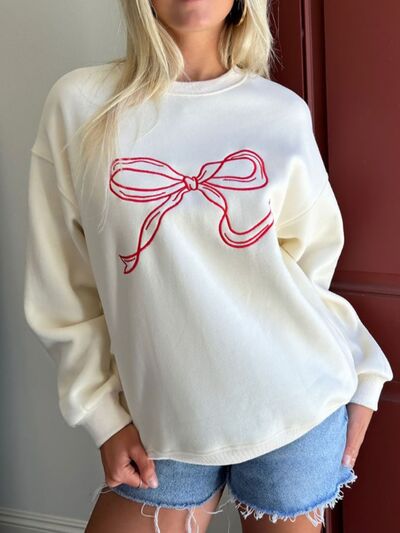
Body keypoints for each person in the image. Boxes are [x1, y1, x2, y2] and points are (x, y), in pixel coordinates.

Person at [23, 1, 393, 532]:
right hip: (158, 422)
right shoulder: (81, 104)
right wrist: (102, 416)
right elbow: (60, 287)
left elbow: (309, 277)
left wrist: (365, 374)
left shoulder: (280, 113)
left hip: (294, 412)